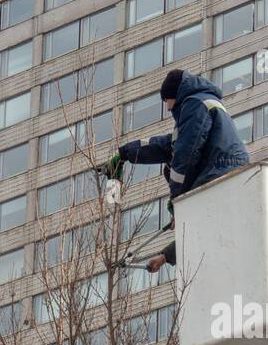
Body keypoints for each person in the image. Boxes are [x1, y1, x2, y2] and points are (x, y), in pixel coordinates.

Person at [101, 69, 249, 272]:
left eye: (167, 103)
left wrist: (177, 200)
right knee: (200, 223)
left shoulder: (194, 105)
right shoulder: (197, 106)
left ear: (173, 96)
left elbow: (185, 155)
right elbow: (165, 146)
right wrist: (125, 153)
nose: (168, 108)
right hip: (221, 167)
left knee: (198, 219)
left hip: (221, 170)